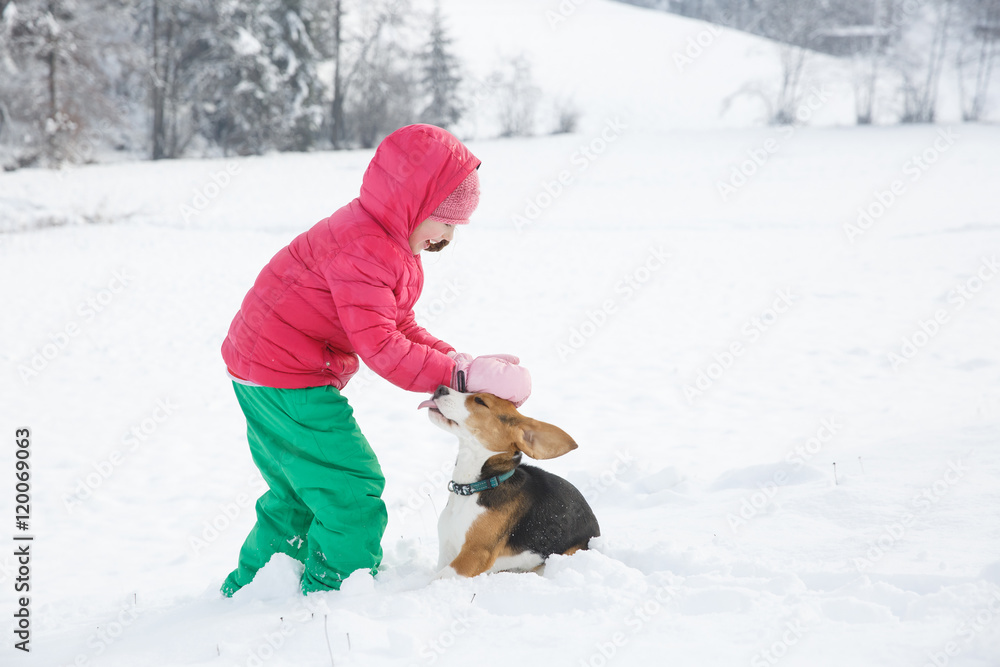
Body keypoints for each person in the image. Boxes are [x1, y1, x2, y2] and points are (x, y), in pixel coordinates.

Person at [219, 124, 531, 596]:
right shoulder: (365, 249)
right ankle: (334, 594)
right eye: (445, 221)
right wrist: (459, 375)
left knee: (299, 491)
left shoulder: (382, 239)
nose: (448, 236)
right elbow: (383, 349)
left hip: (265, 370)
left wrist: (459, 366)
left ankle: (253, 588)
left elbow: (398, 326)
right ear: (415, 204)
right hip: (287, 378)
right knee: (350, 485)